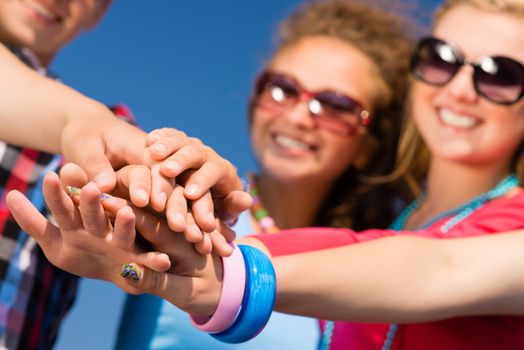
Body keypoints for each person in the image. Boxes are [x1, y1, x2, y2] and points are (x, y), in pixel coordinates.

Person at [6, 0, 524, 348]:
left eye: (501, 75)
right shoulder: (393, 231)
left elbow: (444, 266)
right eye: (441, 58)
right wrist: (148, 174)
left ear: (370, 140)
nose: (459, 87)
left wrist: (226, 279)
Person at [114, 0, 414, 348]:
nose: (299, 117)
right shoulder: (188, 209)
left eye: (335, 106)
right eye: (283, 89)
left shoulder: (372, 267)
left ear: (368, 148)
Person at [0, 0, 247, 348]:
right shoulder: (93, 121)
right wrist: (85, 120)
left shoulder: (111, 130)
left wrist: (178, 191)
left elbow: (133, 192)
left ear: (99, 13)